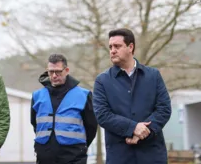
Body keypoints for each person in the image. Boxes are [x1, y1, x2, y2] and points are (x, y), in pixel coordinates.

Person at [93, 28, 172, 164]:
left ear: (130, 47)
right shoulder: (102, 81)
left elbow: (164, 109)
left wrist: (144, 131)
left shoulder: (153, 76)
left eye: (117, 46)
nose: (112, 50)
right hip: (120, 157)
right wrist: (133, 128)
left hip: (152, 156)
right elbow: (102, 115)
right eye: (110, 47)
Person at [31, 54, 98, 164]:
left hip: (74, 157)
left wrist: (79, 147)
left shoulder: (83, 95)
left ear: (66, 70)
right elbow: (35, 124)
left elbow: (91, 127)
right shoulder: (37, 96)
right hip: (44, 156)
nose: (54, 76)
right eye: (50, 71)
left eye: (58, 71)